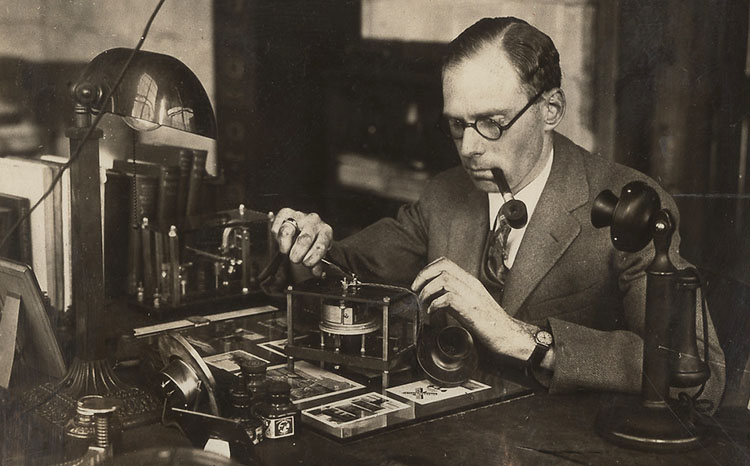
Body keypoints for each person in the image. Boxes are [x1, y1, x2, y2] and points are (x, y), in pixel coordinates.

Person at [270, 17, 725, 405]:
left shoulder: (632, 205)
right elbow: (343, 270)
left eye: (492, 122)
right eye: (456, 125)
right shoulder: (445, 196)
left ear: (551, 109)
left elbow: (700, 372)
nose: (469, 149)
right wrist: (307, 241)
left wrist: (521, 337)